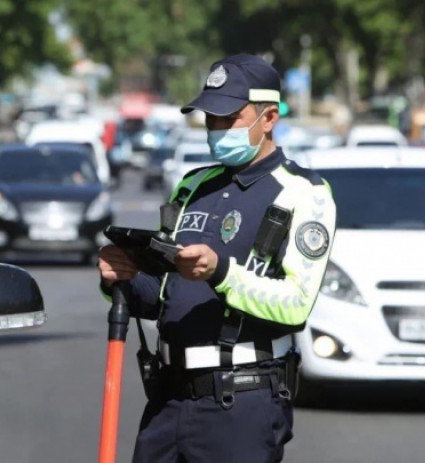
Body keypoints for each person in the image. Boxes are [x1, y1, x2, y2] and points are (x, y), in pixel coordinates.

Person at [98, 54, 336, 463]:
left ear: (269, 118)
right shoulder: (192, 186)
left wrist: (220, 271)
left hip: (240, 402)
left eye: (229, 118)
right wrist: (121, 277)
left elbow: (296, 304)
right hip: (169, 398)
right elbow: (162, 296)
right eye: (210, 119)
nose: (217, 129)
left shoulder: (303, 192)